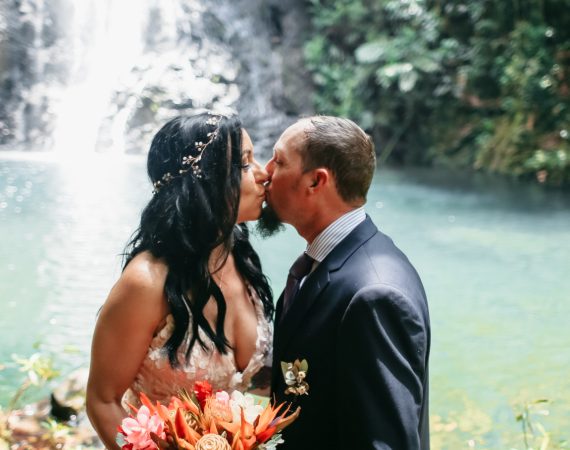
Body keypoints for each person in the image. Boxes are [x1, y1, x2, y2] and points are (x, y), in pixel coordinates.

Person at [86, 112, 274, 449]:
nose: (263, 174)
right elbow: (103, 400)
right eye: (245, 164)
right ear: (207, 180)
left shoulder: (240, 256)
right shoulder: (146, 283)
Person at [262, 116, 431, 450]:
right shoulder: (327, 263)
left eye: (279, 161)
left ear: (316, 181)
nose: (265, 171)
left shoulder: (375, 294)